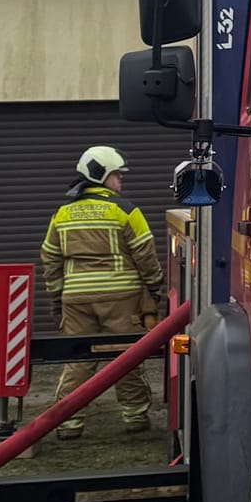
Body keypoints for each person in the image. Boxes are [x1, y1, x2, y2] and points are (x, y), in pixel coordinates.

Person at [40, 146, 166, 438]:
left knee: (78, 360)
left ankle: (69, 423)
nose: (120, 182)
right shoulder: (125, 210)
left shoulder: (62, 214)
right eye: (117, 176)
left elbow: (50, 257)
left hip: (76, 299)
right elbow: (145, 254)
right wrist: (154, 288)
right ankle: (135, 418)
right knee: (125, 357)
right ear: (102, 177)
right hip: (120, 298)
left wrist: (57, 297)